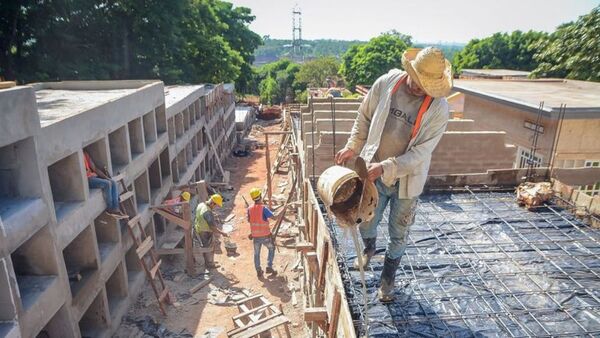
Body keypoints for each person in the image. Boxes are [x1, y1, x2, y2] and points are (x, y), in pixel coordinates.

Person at [335, 47, 452, 302]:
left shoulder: (439, 110)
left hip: (406, 181)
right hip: (372, 173)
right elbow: (364, 116)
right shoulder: (387, 84)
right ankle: (368, 250)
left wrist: (387, 167)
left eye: (426, 86)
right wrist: (353, 145)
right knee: (365, 219)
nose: (420, 89)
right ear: (411, 71)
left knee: (399, 232)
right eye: (418, 82)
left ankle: (387, 281)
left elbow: (421, 152)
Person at [83, 150, 125, 217]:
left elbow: (95, 168)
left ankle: (116, 208)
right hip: (87, 180)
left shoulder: (85, 154)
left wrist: (106, 177)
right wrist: (107, 180)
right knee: (107, 184)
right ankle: (110, 208)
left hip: (94, 177)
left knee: (113, 182)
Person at [194, 194, 229, 269]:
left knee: (204, 246)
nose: (216, 207)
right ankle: (210, 264)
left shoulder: (201, 205)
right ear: (212, 203)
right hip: (205, 231)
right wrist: (222, 233)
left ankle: (206, 263)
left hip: (198, 228)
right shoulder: (208, 212)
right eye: (216, 205)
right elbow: (213, 228)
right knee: (209, 248)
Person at [247, 188, 276, 278]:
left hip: (255, 236)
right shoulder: (263, 209)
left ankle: (258, 270)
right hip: (265, 236)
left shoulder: (249, 209)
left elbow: (249, 220)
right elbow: (274, 217)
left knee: (256, 254)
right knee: (271, 248)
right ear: (260, 197)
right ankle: (269, 266)